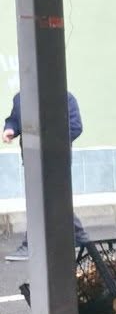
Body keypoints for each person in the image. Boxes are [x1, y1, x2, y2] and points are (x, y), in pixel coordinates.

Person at [2, 88, 88, 260]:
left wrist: (49, 142)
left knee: (43, 201)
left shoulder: (64, 97)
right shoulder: (20, 98)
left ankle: (31, 245)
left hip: (56, 161)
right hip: (32, 160)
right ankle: (79, 237)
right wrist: (10, 129)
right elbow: (15, 119)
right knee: (52, 200)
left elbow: (75, 127)